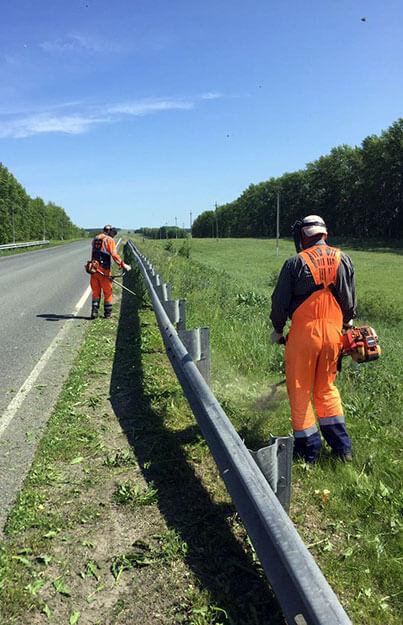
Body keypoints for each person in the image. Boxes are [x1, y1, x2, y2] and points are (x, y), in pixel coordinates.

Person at [270, 215, 356, 463]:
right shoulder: (344, 260)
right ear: (324, 235)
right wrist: (347, 325)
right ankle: (342, 448)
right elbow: (349, 303)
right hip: (333, 336)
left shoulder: (294, 263)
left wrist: (277, 330)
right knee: (326, 389)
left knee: (300, 391)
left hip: (303, 336)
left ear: (303, 236)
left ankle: (308, 451)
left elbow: (280, 304)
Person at [90, 225, 131, 319]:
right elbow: (114, 255)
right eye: (113, 234)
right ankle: (107, 314)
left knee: (95, 292)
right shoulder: (109, 240)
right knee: (108, 292)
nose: (113, 236)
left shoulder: (96, 238)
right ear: (109, 232)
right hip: (104, 270)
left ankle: (94, 312)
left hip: (93, 269)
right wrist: (124, 265)